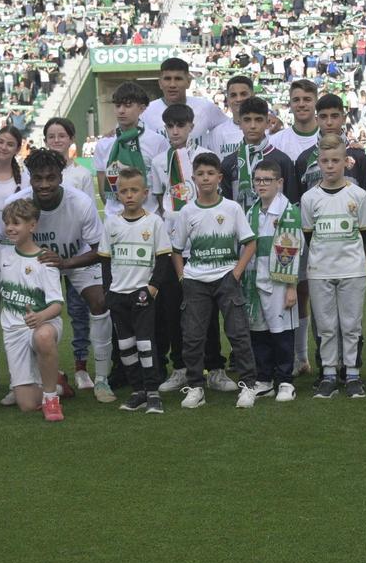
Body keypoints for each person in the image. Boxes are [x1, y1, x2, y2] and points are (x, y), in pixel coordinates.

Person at [0, 149, 115, 403]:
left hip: (75, 258)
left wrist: (65, 262)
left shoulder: (80, 202)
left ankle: (102, 378)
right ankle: (27, 380)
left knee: (100, 302)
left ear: (61, 176)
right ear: (30, 178)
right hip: (35, 261)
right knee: (17, 308)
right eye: (38, 178)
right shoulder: (18, 204)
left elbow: (100, 251)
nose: (44, 184)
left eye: (51, 177)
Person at [171, 152, 259, 409]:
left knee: (238, 333)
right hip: (196, 281)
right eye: (200, 174)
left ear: (219, 177)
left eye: (211, 173)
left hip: (226, 278)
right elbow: (176, 250)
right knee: (193, 337)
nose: (206, 178)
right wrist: (182, 276)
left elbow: (250, 242)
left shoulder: (232, 208)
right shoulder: (187, 211)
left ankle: (248, 385)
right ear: (193, 178)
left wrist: (236, 272)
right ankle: (196, 386)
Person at [152, 101, 229, 394]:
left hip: (203, 243)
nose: (175, 131)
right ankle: (181, 367)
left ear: (190, 127)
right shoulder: (160, 162)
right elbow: (159, 202)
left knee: (207, 309)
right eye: (170, 126)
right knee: (173, 308)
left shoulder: (204, 157)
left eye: (180, 125)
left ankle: (215, 367)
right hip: (174, 245)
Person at [301, 134, 366, 399]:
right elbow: (309, 235)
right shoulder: (310, 198)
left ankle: (352, 374)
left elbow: (365, 233)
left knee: (351, 324)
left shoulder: (358, 194)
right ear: (318, 163)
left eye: (335, 160)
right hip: (320, 271)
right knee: (327, 325)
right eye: (325, 161)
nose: (330, 166)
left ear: (346, 162)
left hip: (352, 269)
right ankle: (329, 374)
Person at [100, 167, 175, 413]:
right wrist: (108, 291)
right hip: (118, 295)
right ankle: (137, 390)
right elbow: (106, 261)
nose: (129, 195)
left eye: (134, 190)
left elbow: (163, 258)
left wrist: (152, 288)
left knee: (145, 343)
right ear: (117, 194)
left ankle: (153, 391)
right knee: (125, 345)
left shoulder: (154, 222)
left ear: (145, 193)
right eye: (123, 191)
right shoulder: (111, 223)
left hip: (141, 293)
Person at [0, 197, 69, 422]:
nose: (10, 228)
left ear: (32, 225)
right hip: (14, 332)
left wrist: (40, 316)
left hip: (43, 323)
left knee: (44, 336)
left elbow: (57, 305)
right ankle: (58, 385)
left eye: (16, 223)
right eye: (7, 223)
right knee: (26, 405)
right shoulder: (2, 255)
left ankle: (50, 399)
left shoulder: (45, 260)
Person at [245, 159, 303, 402]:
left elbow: (294, 252)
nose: (262, 185)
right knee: (259, 332)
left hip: (279, 283)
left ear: (279, 183)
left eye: (267, 180)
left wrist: (292, 288)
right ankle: (265, 379)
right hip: (255, 281)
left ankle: (285, 381)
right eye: (258, 180)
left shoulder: (288, 212)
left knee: (282, 334)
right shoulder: (252, 211)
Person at [94, 80, 169, 218]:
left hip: (149, 217)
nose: (121, 110)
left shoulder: (157, 142)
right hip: (115, 219)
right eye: (118, 106)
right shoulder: (104, 144)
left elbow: (163, 185)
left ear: (142, 108)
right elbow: (102, 186)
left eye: (128, 106)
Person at [221, 96, 298, 212]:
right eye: (247, 120)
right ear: (240, 123)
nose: (252, 126)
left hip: (276, 227)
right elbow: (225, 207)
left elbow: (292, 203)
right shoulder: (228, 162)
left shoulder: (282, 160)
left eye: (258, 120)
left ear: (267, 123)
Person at [140, 57, 229, 147]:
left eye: (178, 79)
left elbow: (231, 128)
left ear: (188, 82)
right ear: (160, 83)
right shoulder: (146, 112)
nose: (172, 85)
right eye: (167, 79)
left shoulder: (206, 108)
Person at [268, 79, 320, 162]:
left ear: (316, 102)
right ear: (290, 103)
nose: (301, 104)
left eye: (307, 99)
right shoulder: (275, 141)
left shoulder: (331, 140)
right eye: (296, 100)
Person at [208, 75, 256, 159]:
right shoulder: (216, 133)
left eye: (243, 94)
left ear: (253, 95)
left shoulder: (267, 130)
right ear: (228, 99)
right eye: (233, 95)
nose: (238, 99)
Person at [45, 117, 94, 197]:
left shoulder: (83, 174)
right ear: (45, 141)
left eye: (62, 136)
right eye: (51, 137)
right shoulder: (35, 173)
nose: (56, 140)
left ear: (72, 139)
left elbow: (90, 207)